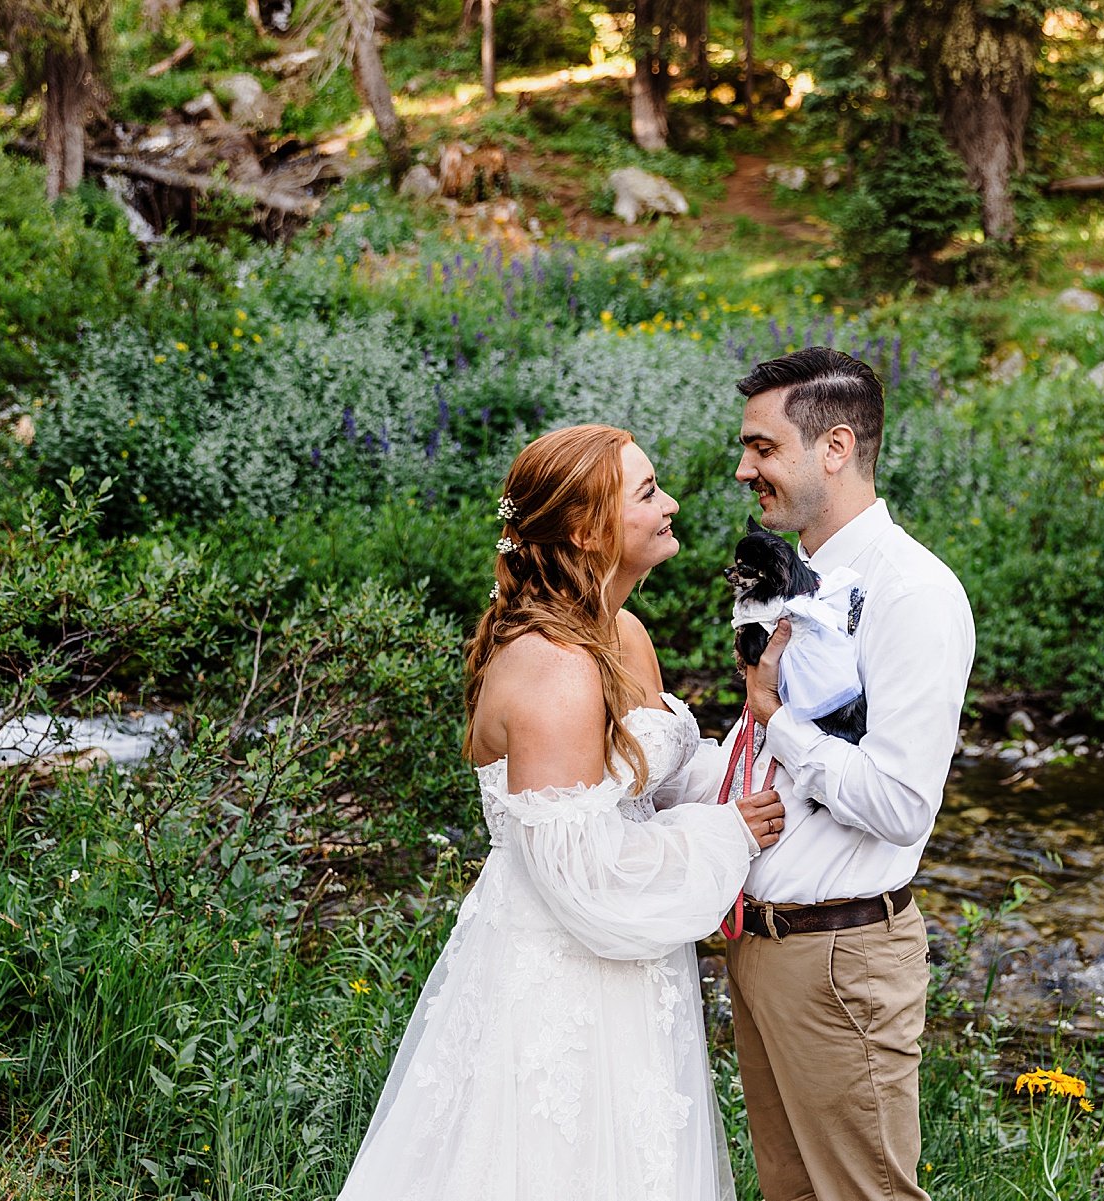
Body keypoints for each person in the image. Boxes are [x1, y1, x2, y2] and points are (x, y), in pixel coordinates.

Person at [337, 424, 787, 1201]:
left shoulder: (622, 634)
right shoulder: (554, 667)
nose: (670, 502)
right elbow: (585, 877)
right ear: (586, 528)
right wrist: (729, 834)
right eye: (647, 492)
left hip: (633, 973)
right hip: (566, 980)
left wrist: (767, 717)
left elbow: (642, 783)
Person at [722, 348, 975, 1201]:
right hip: (762, 945)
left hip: (842, 954)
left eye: (762, 447)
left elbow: (902, 805)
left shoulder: (915, 595)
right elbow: (760, 758)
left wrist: (779, 720)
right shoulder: (783, 577)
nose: (743, 466)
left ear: (834, 447)